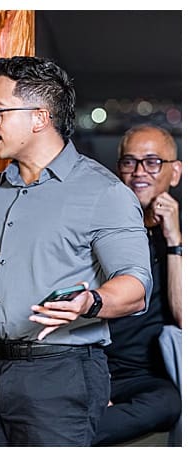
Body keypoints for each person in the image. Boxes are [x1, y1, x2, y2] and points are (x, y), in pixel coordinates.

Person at [0, 56, 152, 446]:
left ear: (39, 117)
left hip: (60, 373)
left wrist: (90, 302)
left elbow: (136, 286)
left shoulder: (103, 192)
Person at [93, 124, 182, 445]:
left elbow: (184, 316)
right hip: (91, 361)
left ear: (175, 173)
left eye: (152, 162)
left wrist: (174, 240)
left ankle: (63, 435)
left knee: (168, 403)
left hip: (142, 373)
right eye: (129, 162)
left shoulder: (180, 237)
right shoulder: (99, 227)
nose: (139, 172)